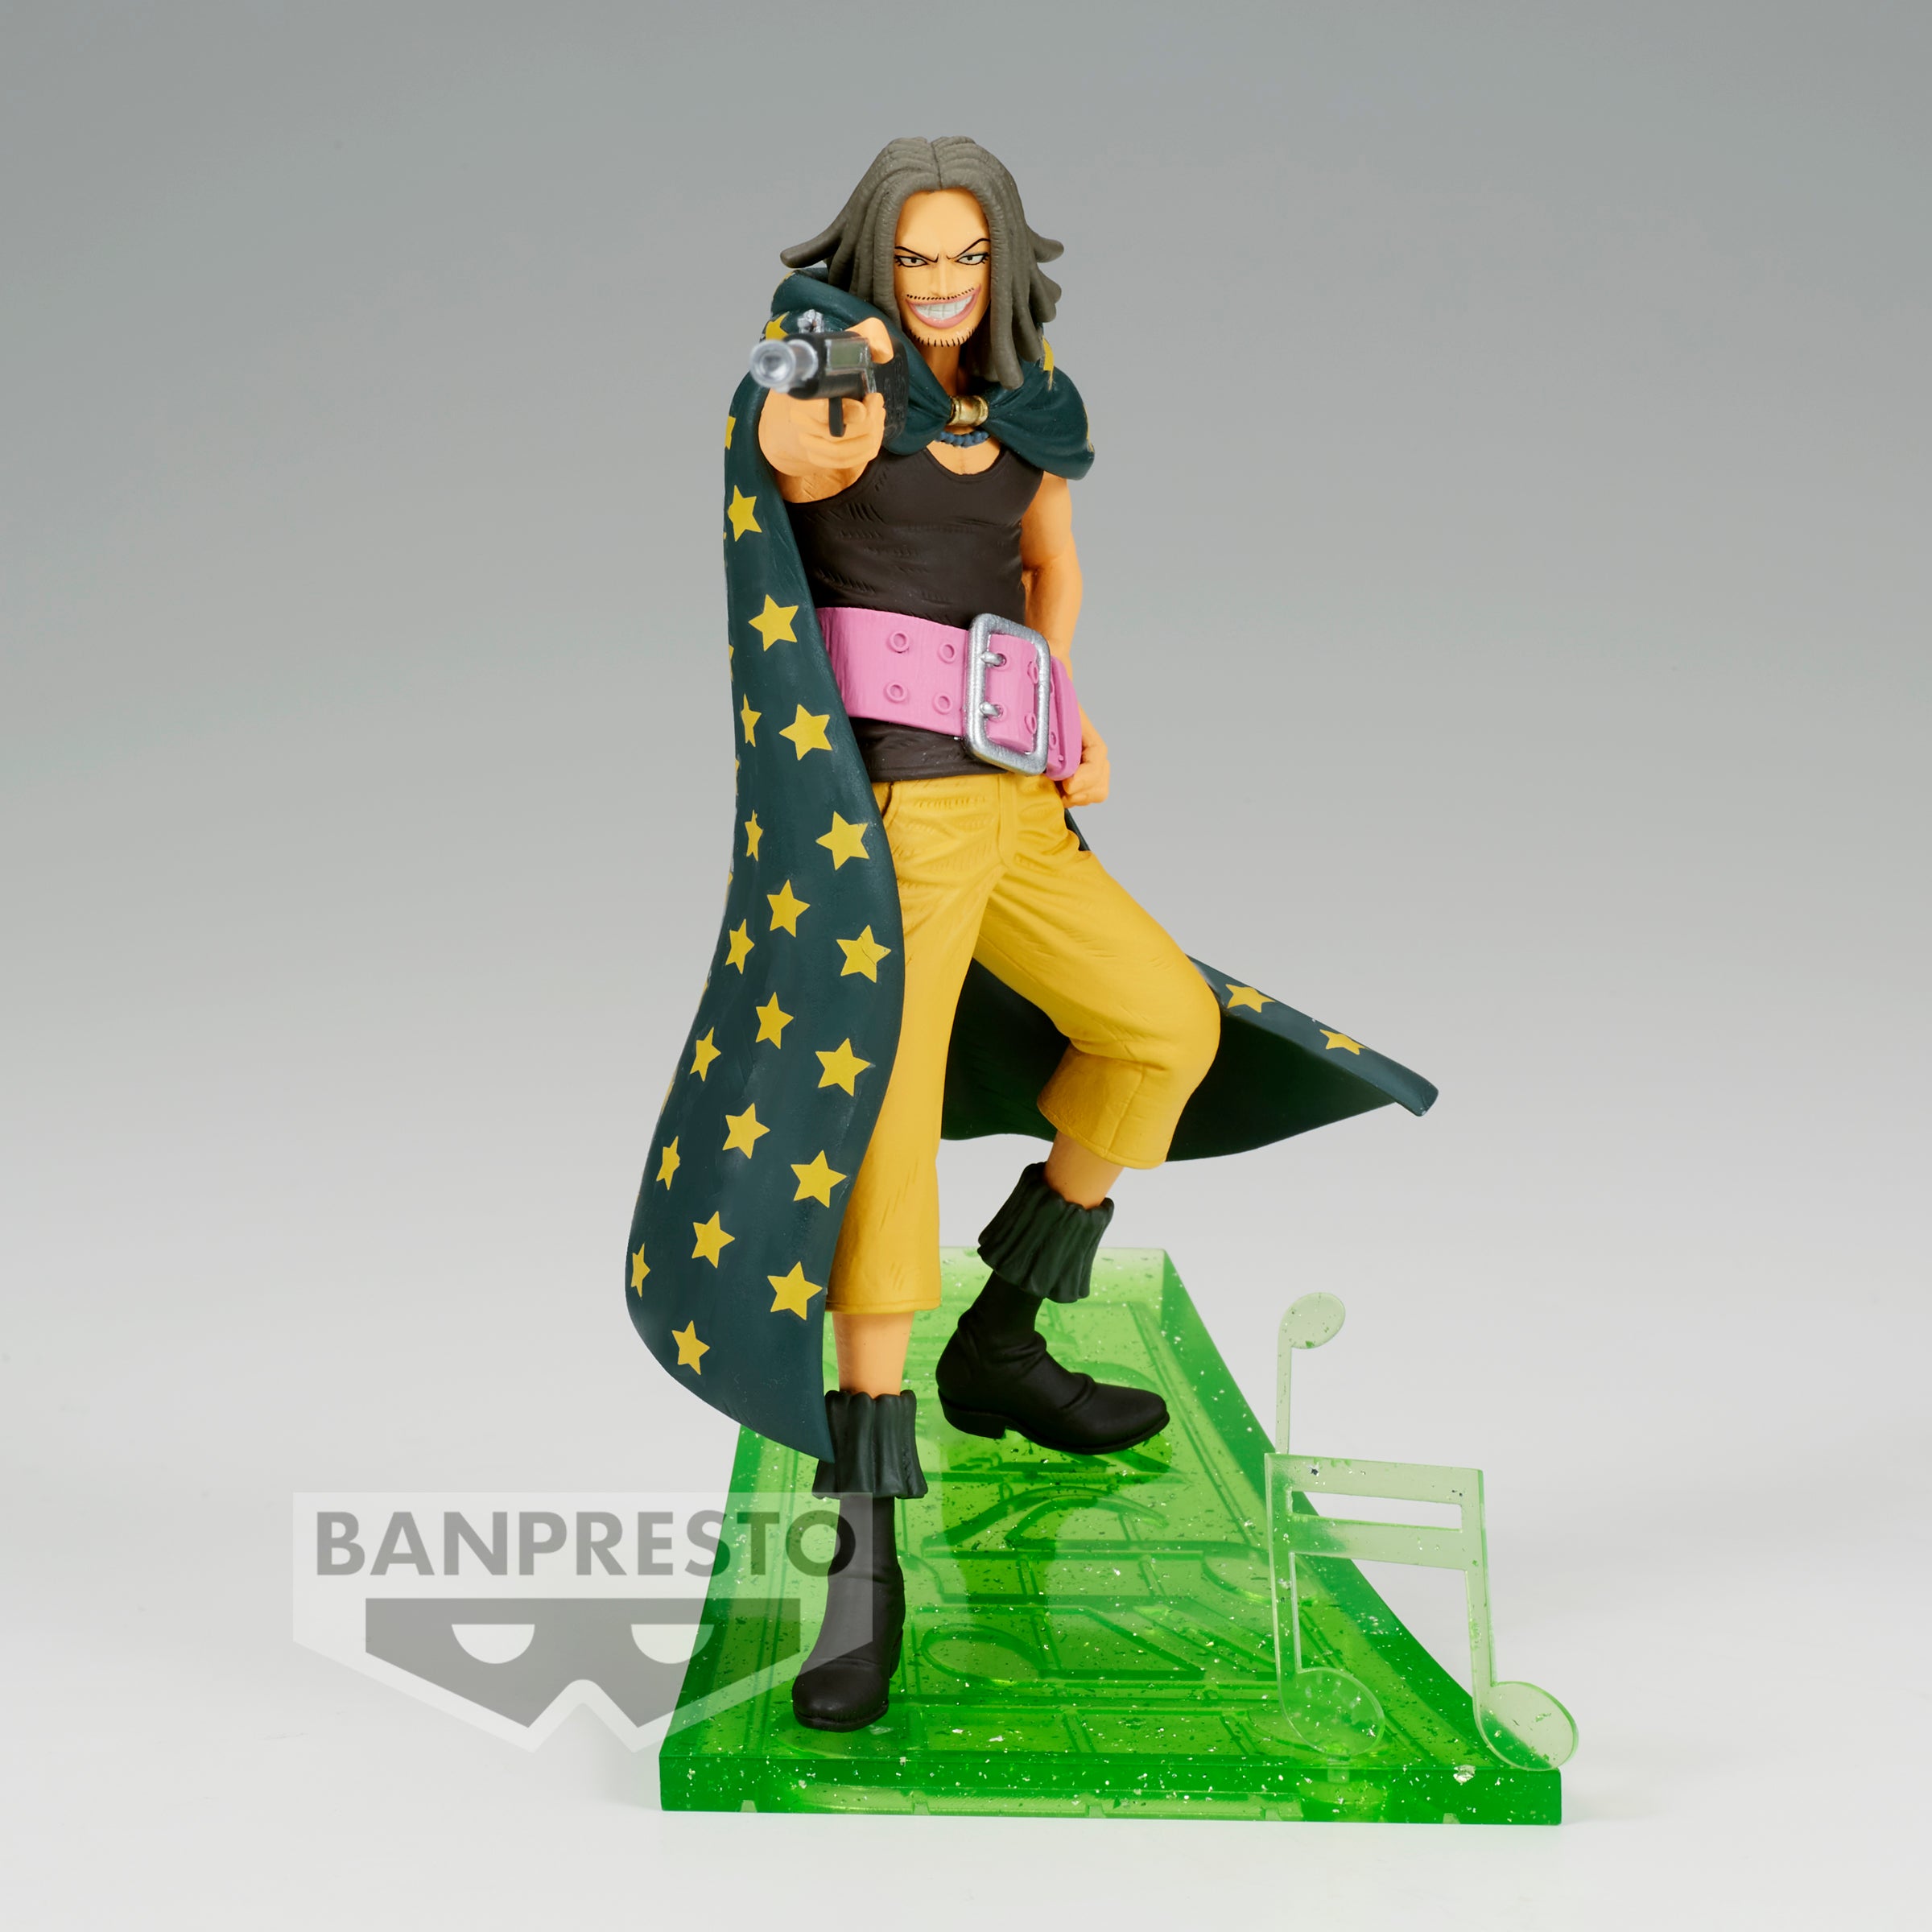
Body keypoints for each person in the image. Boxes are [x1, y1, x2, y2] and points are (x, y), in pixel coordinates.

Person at [624, 137, 1435, 1736]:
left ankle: (999, 1339)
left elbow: (1050, 560)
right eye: (913, 259)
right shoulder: (839, 386)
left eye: (965, 259)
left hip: (1017, 800)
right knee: (879, 1139)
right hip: (899, 818)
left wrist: (1064, 709)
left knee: (1164, 1028)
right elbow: (793, 451)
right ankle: (865, 1540)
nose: (939, 286)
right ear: (873, 259)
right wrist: (819, 374)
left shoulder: (1029, 405)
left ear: (999, 262)